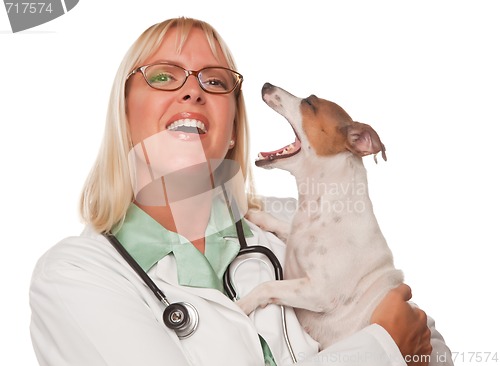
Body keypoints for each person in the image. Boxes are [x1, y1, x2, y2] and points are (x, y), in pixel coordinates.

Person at [29, 17, 451, 366]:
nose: (192, 90)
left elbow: (425, 341)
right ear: (124, 113)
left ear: (232, 128)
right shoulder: (74, 276)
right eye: (163, 76)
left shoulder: (286, 223)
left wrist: (400, 341)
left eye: (214, 82)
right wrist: (380, 351)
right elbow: (397, 340)